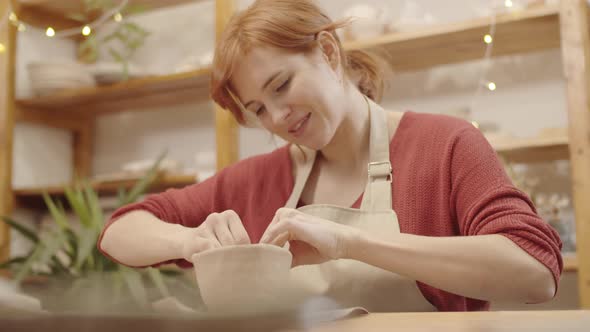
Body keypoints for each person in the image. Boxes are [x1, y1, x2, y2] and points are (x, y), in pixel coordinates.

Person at [98, 0, 562, 312]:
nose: (278, 117)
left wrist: (349, 242)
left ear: (328, 52)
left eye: (281, 85)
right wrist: (187, 242)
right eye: (258, 109)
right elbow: (119, 230)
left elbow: (534, 272)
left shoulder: (444, 144)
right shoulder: (259, 179)